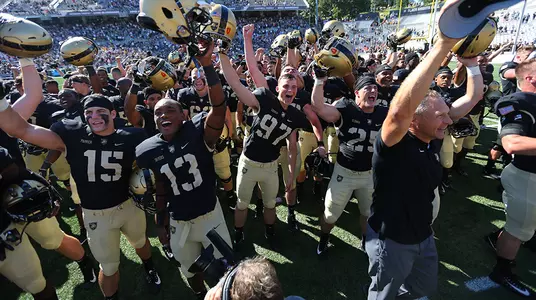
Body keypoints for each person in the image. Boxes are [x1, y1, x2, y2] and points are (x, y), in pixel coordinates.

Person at [364, 7, 483, 299]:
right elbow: (399, 111)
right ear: (415, 120)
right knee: (384, 295)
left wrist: (471, 64)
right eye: (441, 114)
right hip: (391, 241)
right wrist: (443, 43)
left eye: (447, 114)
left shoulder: (432, 134)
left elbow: (473, 97)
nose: (448, 120)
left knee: (423, 290)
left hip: (424, 236)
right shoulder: (393, 143)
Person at [0, 93, 162, 299]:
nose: (94, 117)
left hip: (128, 205)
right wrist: (1, 101)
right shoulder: (72, 135)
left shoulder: (131, 136)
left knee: (140, 242)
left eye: (100, 112)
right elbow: (20, 129)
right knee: (109, 266)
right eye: (89, 113)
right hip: (95, 214)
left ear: (113, 113)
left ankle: (149, 265)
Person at [136, 41, 232, 299]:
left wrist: (208, 65)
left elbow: (219, 108)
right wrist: (160, 223)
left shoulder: (198, 131)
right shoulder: (147, 149)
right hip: (178, 219)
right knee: (190, 271)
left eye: (169, 110)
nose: (163, 116)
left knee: (225, 271)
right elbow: (161, 187)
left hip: (209, 214)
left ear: (184, 116)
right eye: (157, 113)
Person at [221, 26, 324, 249]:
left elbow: (298, 141)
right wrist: (241, 43)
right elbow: (237, 82)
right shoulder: (264, 98)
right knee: (241, 203)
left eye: (294, 87)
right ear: (277, 87)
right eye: (286, 86)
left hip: (270, 166)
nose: (290, 89)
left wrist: (291, 174)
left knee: (269, 204)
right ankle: (238, 232)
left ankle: (270, 230)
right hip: (248, 161)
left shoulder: (296, 115)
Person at [312, 70, 388, 255]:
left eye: (374, 88)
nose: (373, 91)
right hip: (344, 172)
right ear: (357, 93)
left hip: (369, 174)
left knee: (367, 213)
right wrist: (319, 82)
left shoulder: (384, 113)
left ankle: (365, 240)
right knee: (330, 214)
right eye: (367, 87)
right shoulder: (347, 108)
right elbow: (319, 108)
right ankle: (324, 238)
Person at [489, 58, 536, 297]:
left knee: (524, 225)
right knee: (518, 228)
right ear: (531, 78)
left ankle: (497, 238)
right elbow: (512, 142)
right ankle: (502, 269)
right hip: (527, 176)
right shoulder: (516, 103)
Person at [0, 146, 59, 300]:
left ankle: (85, 263)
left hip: (4, 232)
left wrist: (45, 185)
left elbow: (16, 173)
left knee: (36, 285)